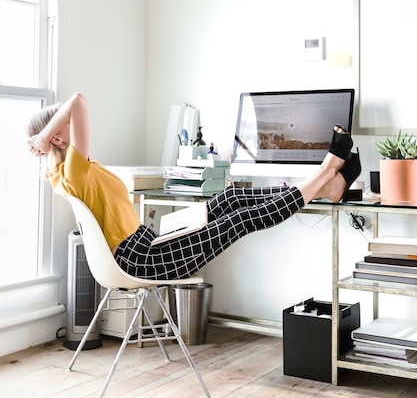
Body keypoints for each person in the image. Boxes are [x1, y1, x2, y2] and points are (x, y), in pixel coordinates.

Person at [26, 92, 361, 281]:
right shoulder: (72, 169)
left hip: (148, 242)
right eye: (64, 125)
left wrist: (46, 136)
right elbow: (80, 101)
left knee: (231, 198)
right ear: (56, 136)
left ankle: (327, 188)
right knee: (239, 220)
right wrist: (42, 136)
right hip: (141, 258)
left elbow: (76, 108)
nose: (73, 126)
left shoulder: (68, 173)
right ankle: (328, 169)